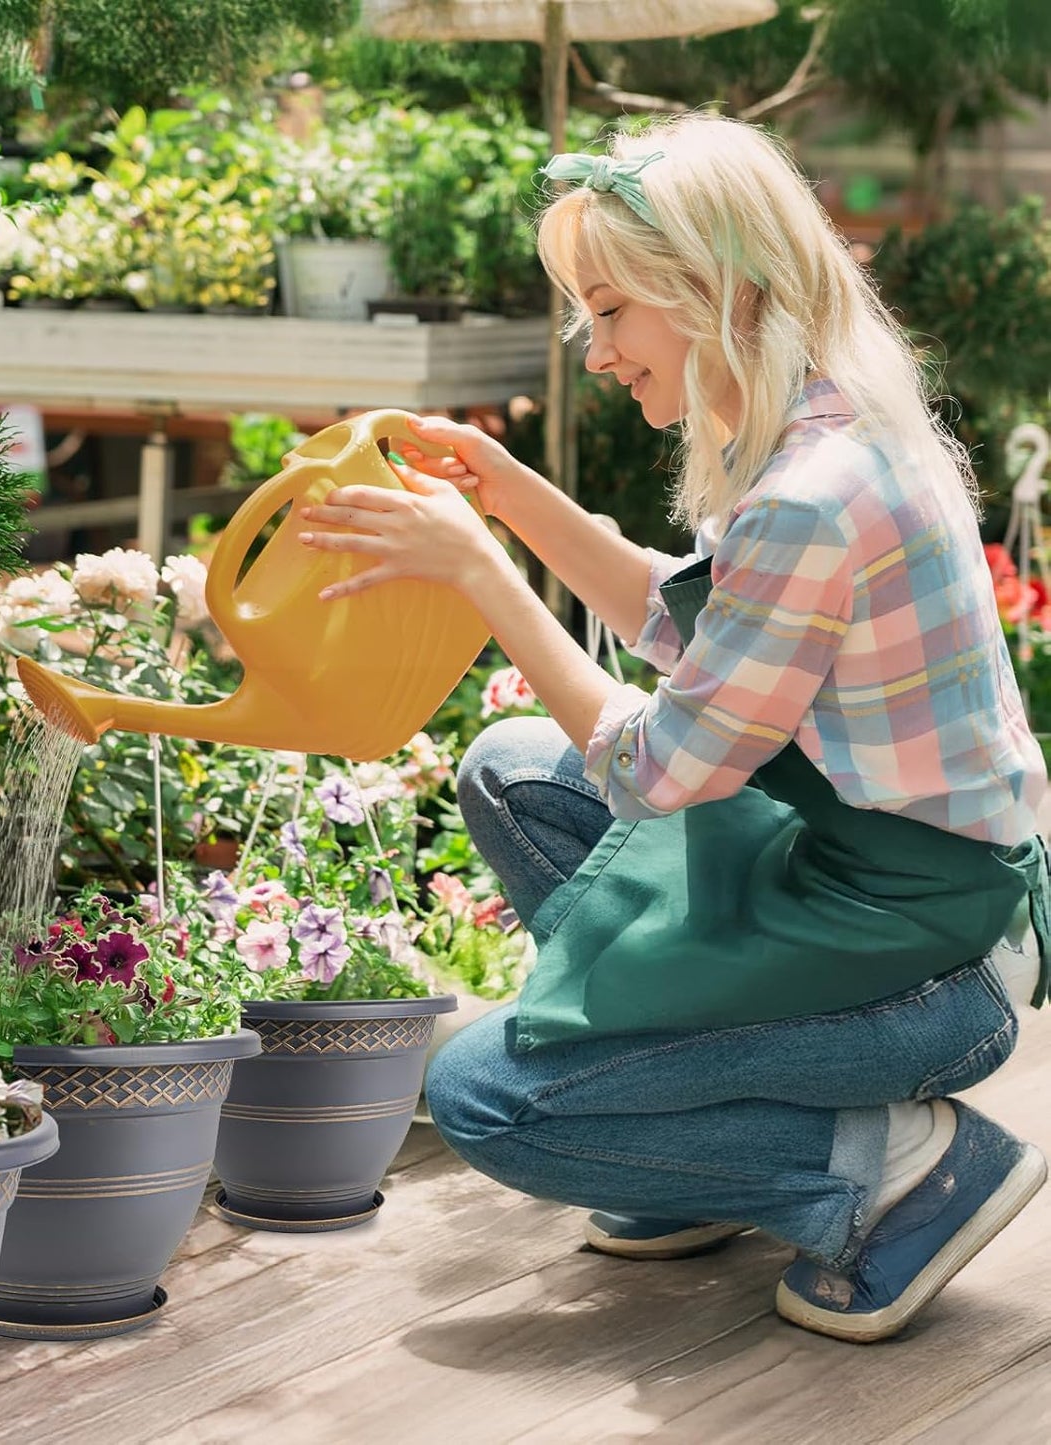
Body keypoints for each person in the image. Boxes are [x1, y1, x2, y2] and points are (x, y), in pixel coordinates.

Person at [296, 112, 1050, 1344]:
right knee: (513, 772)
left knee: (483, 1097)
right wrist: (509, 489)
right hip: (861, 875)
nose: (595, 352)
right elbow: (683, 618)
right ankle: (678, 1154)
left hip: (921, 952)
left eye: (611, 311)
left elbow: (662, 773)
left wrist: (485, 578)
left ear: (722, 294)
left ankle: (892, 1169)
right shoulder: (823, 428)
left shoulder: (813, 494)